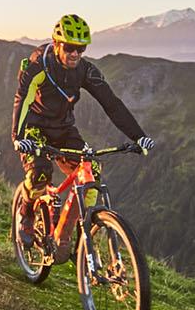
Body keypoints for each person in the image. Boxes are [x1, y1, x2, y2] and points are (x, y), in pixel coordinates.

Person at [11, 14, 156, 209]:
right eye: (69, 47)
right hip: (34, 128)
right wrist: (18, 137)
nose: (75, 54)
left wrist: (138, 136)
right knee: (40, 171)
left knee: (91, 172)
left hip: (63, 129)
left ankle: (81, 231)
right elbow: (23, 98)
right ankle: (26, 212)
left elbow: (112, 104)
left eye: (81, 48)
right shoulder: (39, 65)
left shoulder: (85, 70)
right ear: (56, 43)